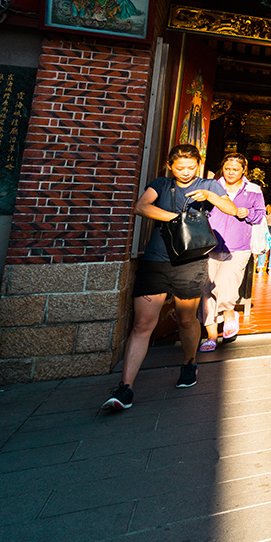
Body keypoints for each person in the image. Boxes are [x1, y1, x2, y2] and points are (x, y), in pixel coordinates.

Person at [104, 144, 238, 410]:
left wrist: (211, 198)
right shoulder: (161, 184)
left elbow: (231, 209)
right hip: (157, 260)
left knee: (186, 319)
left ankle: (189, 363)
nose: (186, 172)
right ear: (170, 165)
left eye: (191, 167)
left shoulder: (208, 185)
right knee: (143, 324)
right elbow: (141, 207)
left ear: (198, 165)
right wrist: (178, 218)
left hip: (190, 262)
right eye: (180, 167)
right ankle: (125, 388)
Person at [200, 153, 265, 351]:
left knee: (223, 286)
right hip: (210, 244)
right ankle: (211, 335)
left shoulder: (253, 190)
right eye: (228, 169)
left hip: (238, 247)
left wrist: (249, 214)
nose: (231, 173)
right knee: (206, 291)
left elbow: (261, 215)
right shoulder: (212, 187)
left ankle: (229, 312)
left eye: (235, 170)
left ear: (244, 170)